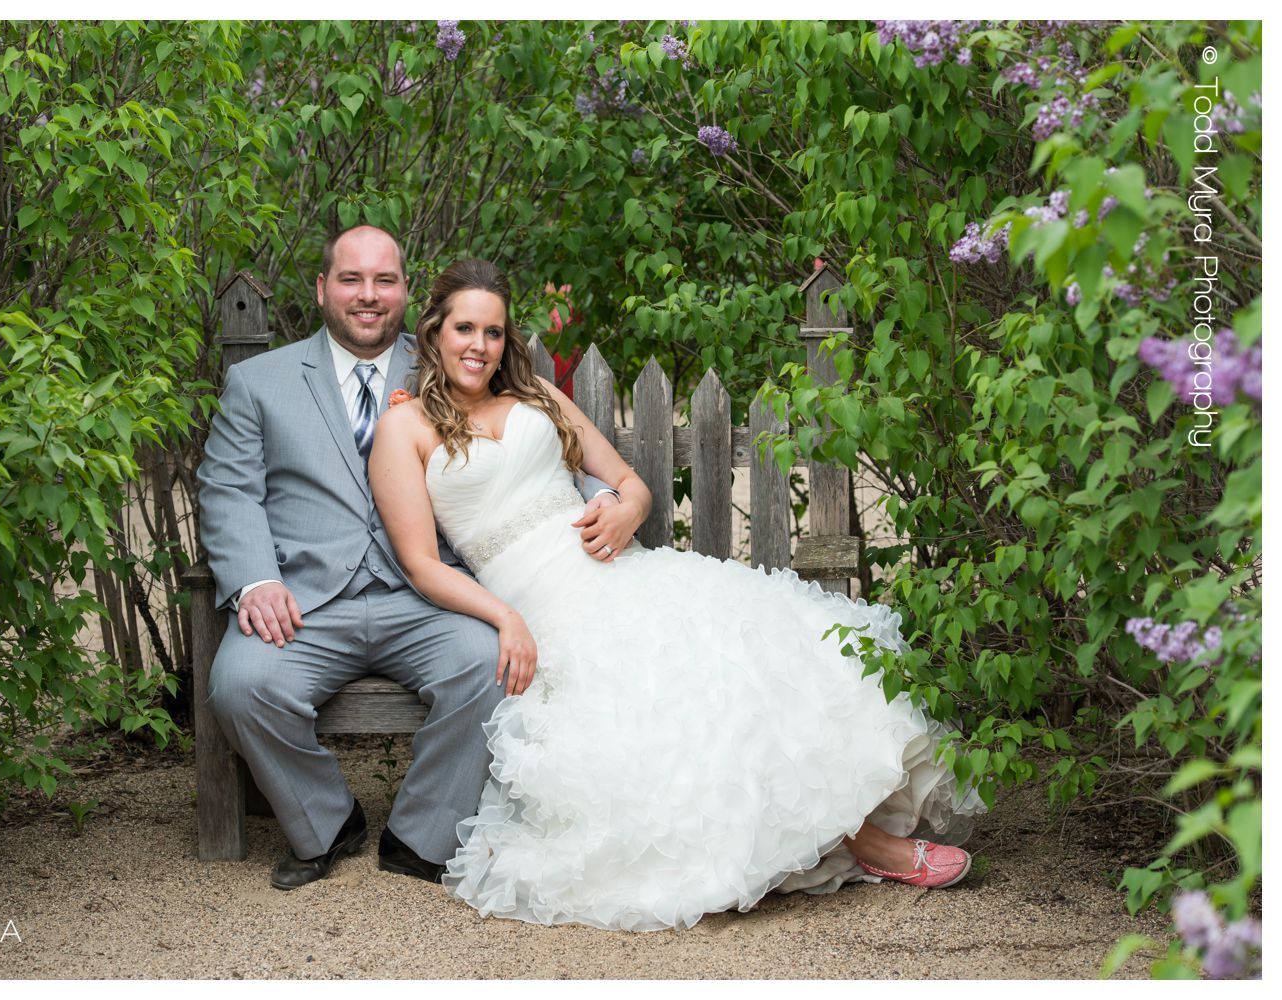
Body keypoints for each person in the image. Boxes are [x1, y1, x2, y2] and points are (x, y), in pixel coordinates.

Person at [368, 259, 988, 932]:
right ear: (433, 330)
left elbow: (630, 483)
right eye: (464, 328)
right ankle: (863, 844)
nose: (478, 346)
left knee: (755, 651)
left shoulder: (539, 397)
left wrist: (627, 511)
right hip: (543, 609)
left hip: (625, 574)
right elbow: (422, 563)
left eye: (492, 331)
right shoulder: (405, 430)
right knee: (673, 705)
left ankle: (852, 833)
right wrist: (504, 618)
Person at [196, 228, 623, 891]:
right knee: (242, 684)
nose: (368, 296)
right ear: (321, 288)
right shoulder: (260, 383)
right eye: (351, 279)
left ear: (406, 294)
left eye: (384, 281)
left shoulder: (448, 359)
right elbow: (229, 492)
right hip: (305, 603)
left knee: (489, 665)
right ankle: (328, 824)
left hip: (427, 595)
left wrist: (609, 499)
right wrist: (255, 580)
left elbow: (540, 443)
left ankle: (422, 835)